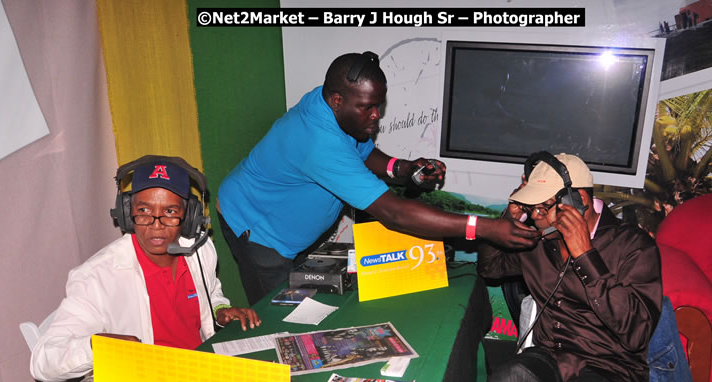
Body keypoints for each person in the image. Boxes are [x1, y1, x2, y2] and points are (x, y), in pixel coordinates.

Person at [217, 51, 540, 304]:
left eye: (379, 105)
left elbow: (360, 150)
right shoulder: (318, 143)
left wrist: (405, 169)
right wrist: (484, 228)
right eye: (368, 107)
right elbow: (394, 213)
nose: (376, 116)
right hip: (258, 232)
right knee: (280, 317)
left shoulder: (332, 105)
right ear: (337, 101)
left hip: (281, 222)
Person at [473, 153, 662, 382]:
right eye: (530, 208)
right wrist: (506, 221)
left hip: (610, 376)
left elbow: (637, 332)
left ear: (577, 201)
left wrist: (586, 256)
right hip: (550, 359)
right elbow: (491, 268)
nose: (534, 217)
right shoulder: (538, 241)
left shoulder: (633, 246)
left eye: (541, 207)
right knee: (509, 378)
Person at [30, 157, 261, 382]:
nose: (156, 225)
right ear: (126, 213)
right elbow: (42, 362)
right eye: (144, 210)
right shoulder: (97, 277)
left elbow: (211, 293)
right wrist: (97, 345)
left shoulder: (199, 250)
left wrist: (220, 311)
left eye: (170, 211)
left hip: (202, 371)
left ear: (189, 217)